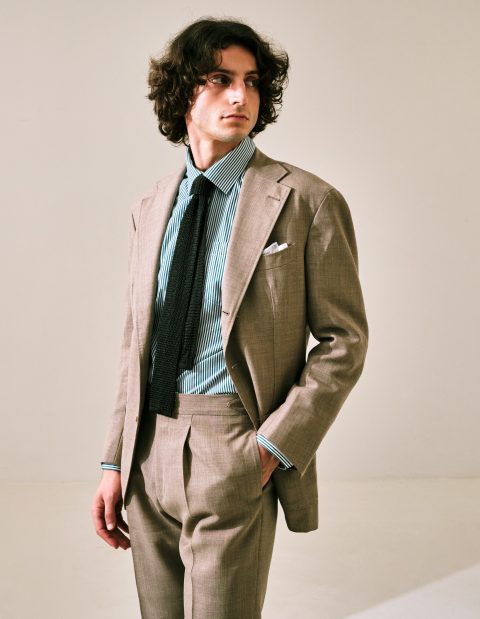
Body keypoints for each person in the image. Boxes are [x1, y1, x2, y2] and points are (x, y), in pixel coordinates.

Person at [91, 17, 368, 619]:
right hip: (146, 448)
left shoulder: (307, 200)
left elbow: (344, 341)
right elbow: (135, 342)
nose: (241, 95)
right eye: (219, 79)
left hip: (233, 442)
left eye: (252, 81)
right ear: (181, 93)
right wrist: (115, 460)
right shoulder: (150, 207)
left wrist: (271, 447)